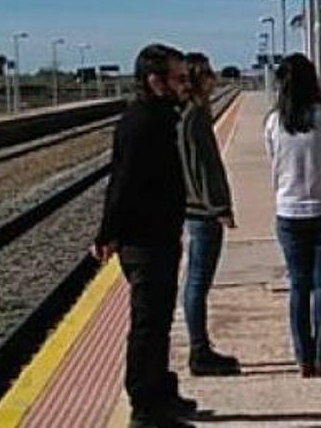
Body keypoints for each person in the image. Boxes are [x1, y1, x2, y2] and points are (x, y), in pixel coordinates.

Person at [93, 44, 197, 428]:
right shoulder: (141, 124)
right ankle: (146, 407)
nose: (186, 85)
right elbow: (122, 183)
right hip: (144, 241)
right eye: (179, 78)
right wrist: (107, 233)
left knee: (160, 320)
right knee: (148, 323)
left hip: (161, 235)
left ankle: (161, 391)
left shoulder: (161, 117)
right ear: (155, 81)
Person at [264, 54, 321, 377]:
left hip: (289, 211)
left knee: (299, 286)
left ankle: (304, 359)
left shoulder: (274, 122)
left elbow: (273, 160)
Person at [177, 52, 239, 376]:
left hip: (193, 209)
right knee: (198, 281)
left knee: (196, 281)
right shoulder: (196, 116)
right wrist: (220, 207)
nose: (215, 79)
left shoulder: (185, 114)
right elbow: (204, 167)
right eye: (210, 74)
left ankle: (199, 347)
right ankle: (199, 350)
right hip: (203, 212)